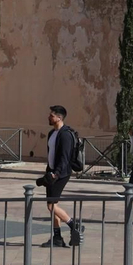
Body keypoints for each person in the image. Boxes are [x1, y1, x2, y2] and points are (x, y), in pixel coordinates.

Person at [38, 105, 84, 247]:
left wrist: (56, 174)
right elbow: (51, 155)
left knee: (52, 206)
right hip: (51, 172)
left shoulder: (65, 135)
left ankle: (74, 225)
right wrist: (48, 172)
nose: (49, 117)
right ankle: (57, 238)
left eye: (51, 115)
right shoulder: (52, 134)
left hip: (61, 174)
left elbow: (64, 159)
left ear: (59, 117)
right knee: (52, 205)